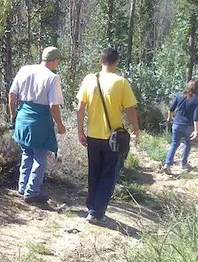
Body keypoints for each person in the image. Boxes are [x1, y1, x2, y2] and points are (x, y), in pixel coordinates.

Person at [76, 47, 140, 225]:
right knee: (109, 174)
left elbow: (80, 108)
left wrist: (80, 131)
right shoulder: (121, 82)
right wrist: (136, 129)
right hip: (114, 138)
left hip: (93, 135)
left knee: (94, 172)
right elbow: (130, 109)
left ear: (101, 61)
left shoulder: (89, 79)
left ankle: (92, 206)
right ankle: (96, 212)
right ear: (116, 62)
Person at [9, 46, 66, 205]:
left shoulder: (24, 70)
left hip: (23, 117)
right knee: (40, 155)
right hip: (39, 120)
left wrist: (13, 115)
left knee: (27, 152)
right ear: (55, 61)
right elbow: (53, 106)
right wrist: (60, 125)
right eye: (58, 61)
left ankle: (23, 186)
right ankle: (32, 192)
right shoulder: (52, 78)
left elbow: (12, 94)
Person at [162, 80, 198, 174]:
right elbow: (196, 117)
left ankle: (167, 164)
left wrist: (169, 118)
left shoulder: (179, 95)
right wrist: (196, 130)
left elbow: (171, 109)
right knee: (187, 143)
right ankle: (183, 163)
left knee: (174, 144)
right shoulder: (197, 100)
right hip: (188, 126)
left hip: (177, 124)